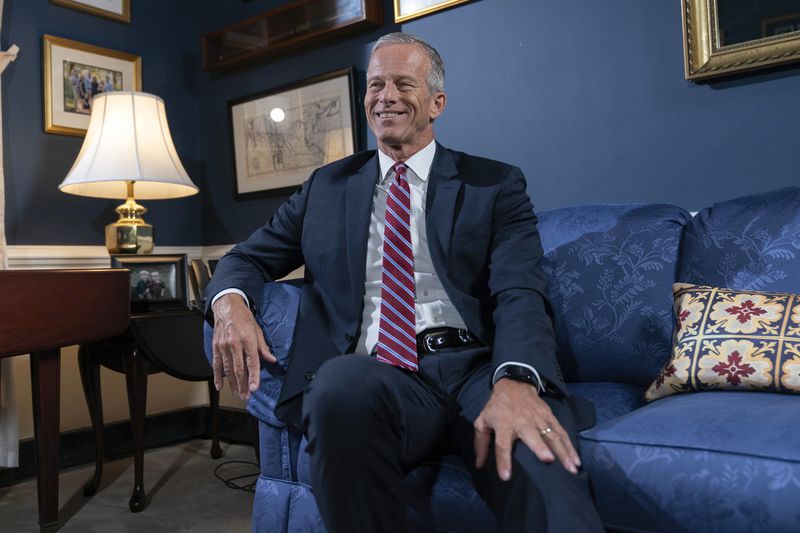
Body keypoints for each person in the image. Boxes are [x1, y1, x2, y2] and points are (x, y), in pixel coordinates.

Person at [207, 32, 603, 532]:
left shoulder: (494, 184)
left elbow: (520, 290)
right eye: (375, 85)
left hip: (476, 369)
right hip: (376, 379)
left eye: (402, 83)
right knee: (338, 384)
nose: (386, 95)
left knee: (542, 462)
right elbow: (245, 257)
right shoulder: (324, 188)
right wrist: (230, 305)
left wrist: (518, 379)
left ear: (437, 102)